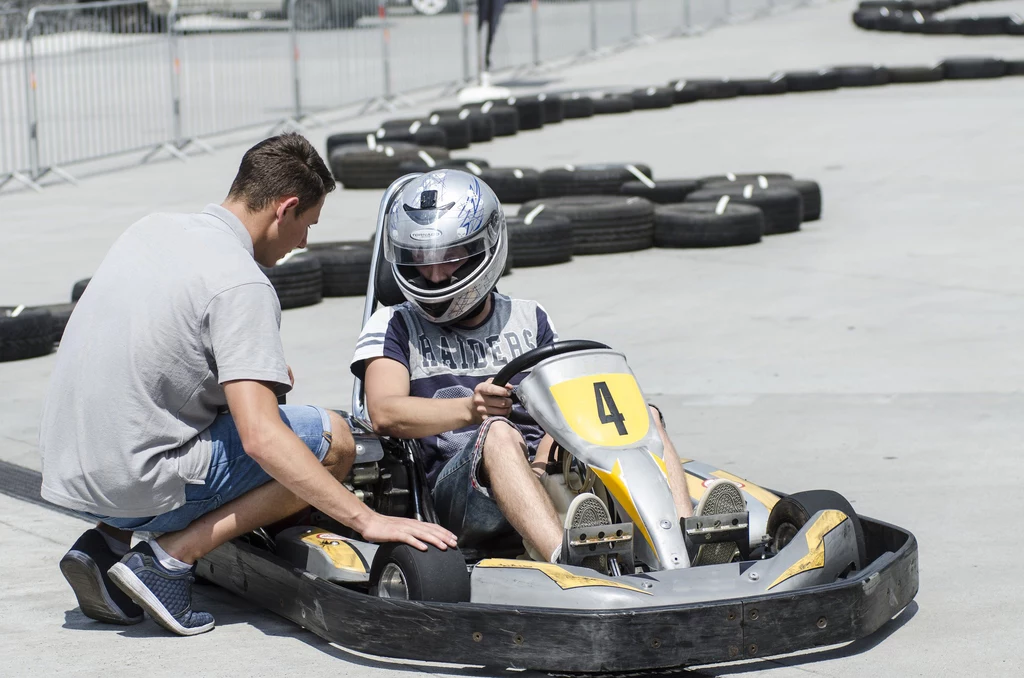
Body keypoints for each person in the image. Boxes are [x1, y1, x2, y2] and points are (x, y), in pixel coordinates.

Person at [40, 134, 456, 637]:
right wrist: (367, 521)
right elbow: (261, 438)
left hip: (68, 470)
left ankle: (103, 546)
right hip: (134, 484)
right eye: (307, 225)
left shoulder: (152, 229)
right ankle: (168, 561)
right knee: (331, 440)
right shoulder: (243, 283)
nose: (303, 243)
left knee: (187, 416)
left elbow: (152, 359)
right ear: (286, 209)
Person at [351, 170, 744, 568]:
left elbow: (561, 406)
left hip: (541, 471)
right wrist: (473, 411)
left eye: (450, 259)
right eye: (421, 260)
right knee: (499, 433)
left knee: (644, 414)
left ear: (485, 246)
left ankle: (682, 539)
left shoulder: (529, 317)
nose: (434, 275)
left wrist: (540, 465)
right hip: (459, 495)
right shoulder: (394, 324)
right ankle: (567, 559)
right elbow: (384, 412)